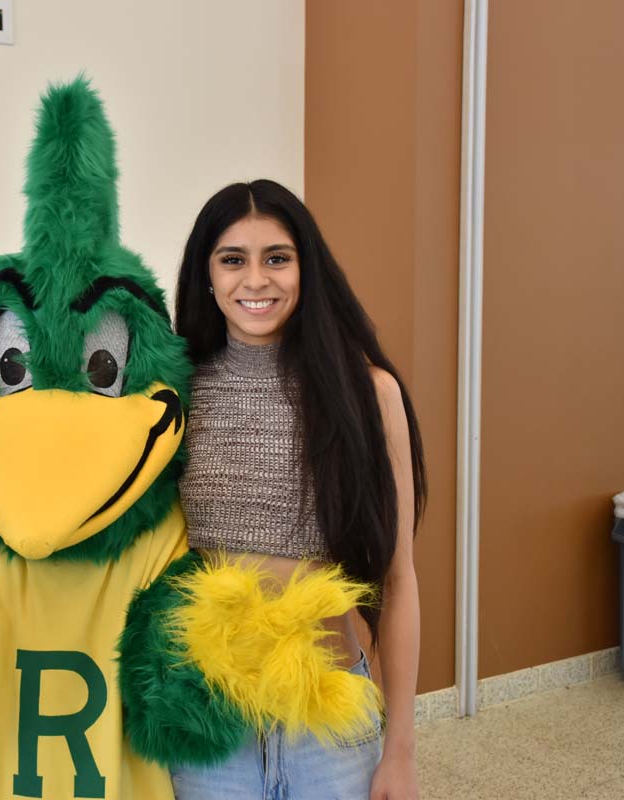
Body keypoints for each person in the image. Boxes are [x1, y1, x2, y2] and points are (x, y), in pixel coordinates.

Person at [170, 180, 427, 800]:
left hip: (331, 720)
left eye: (276, 258)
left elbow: (397, 581)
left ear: (306, 268)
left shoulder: (369, 395)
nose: (255, 280)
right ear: (207, 275)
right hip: (211, 722)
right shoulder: (172, 397)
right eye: (233, 259)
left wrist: (402, 749)